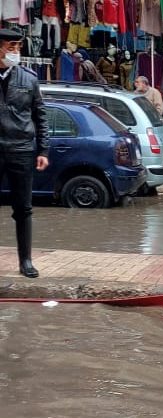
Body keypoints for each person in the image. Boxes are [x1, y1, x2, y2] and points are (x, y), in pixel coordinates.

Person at [0, 28, 49, 279]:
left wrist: (43, 150)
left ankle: (26, 261)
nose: (16, 52)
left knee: (23, 208)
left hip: (21, 149)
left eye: (18, 47)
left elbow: (40, 117)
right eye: (11, 47)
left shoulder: (29, 79)